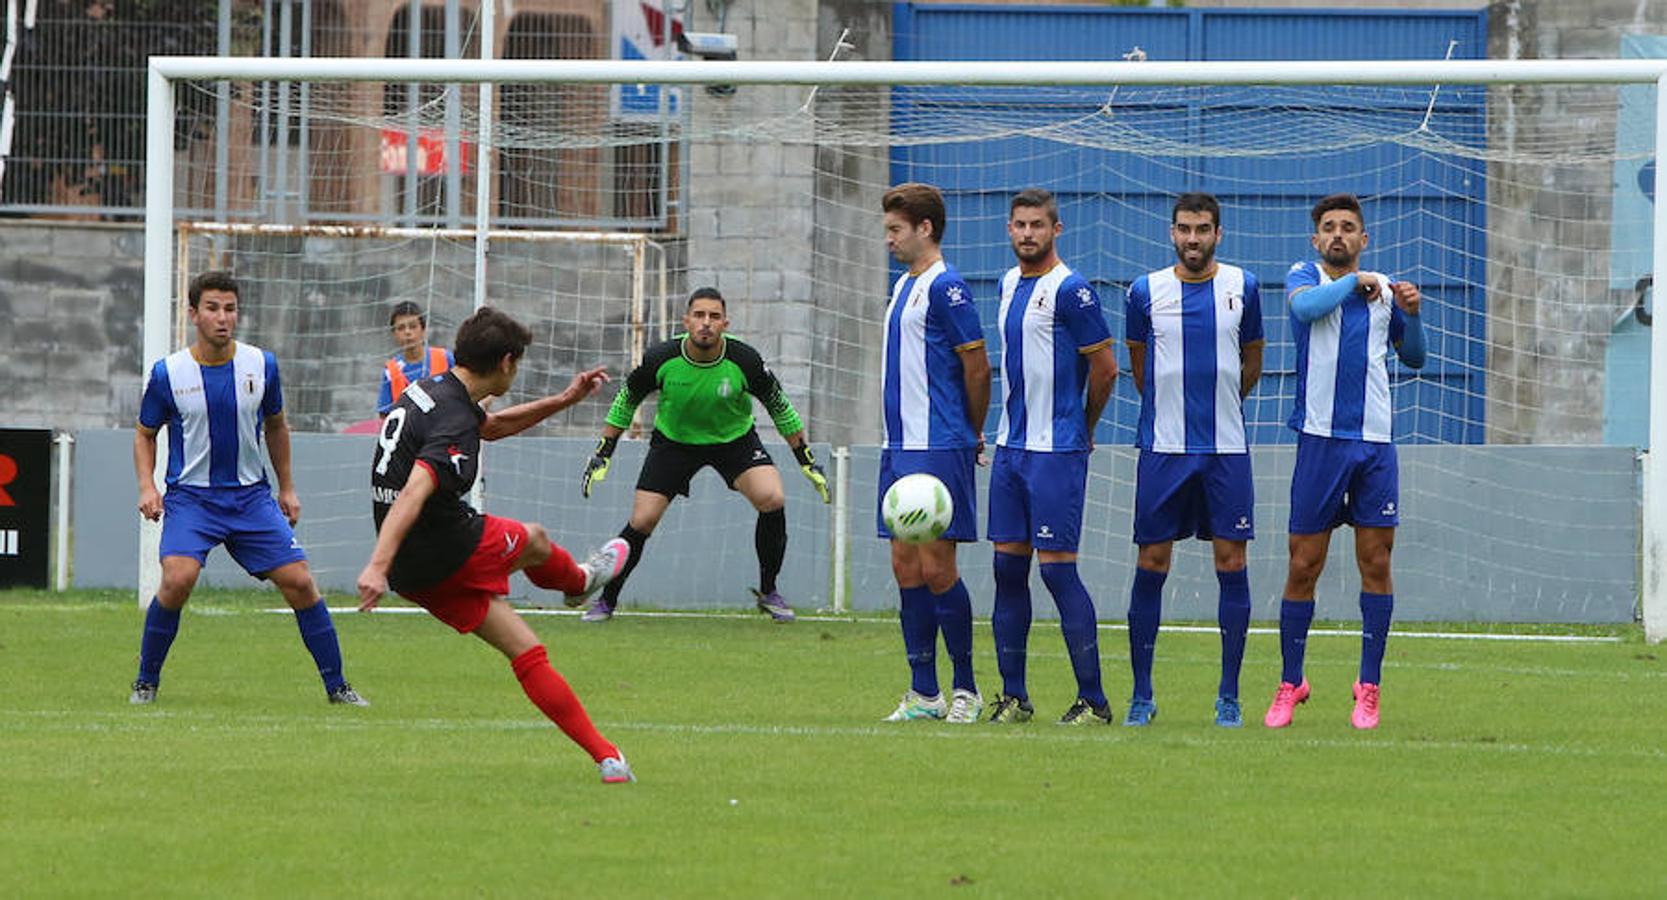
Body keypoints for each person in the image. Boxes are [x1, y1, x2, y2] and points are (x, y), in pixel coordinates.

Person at [356, 305, 637, 783]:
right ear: (507, 362)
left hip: (415, 571)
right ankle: (580, 582)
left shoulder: (436, 390)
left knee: (526, 650)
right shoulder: (451, 419)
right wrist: (375, 566)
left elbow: (492, 428)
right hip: (445, 546)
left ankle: (607, 757)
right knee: (535, 538)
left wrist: (565, 399)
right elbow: (415, 490)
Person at [130, 270, 366, 707]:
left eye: (230, 308)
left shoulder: (262, 365)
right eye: (212, 308)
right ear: (193, 314)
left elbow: (276, 426)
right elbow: (144, 433)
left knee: (300, 582)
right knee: (178, 579)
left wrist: (288, 488)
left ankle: (338, 687)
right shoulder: (169, 373)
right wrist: (147, 486)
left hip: (250, 499)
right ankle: (146, 682)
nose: (223, 317)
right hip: (192, 500)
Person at [1265, 192, 1425, 731]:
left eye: (1348, 228)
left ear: (1364, 239)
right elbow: (1305, 310)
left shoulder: (1383, 293)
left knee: (1376, 562)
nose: (1338, 234)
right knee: (1303, 564)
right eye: (1329, 227)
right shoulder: (1304, 276)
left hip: (1375, 446)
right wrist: (1352, 283)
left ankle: (1368, 686)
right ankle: (1292, 681)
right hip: (1320, 442)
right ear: (1317, 240)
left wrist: (1412, 314)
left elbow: (1416, 356)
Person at [577, 287, 829, 623]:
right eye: (699, 316)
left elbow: (779, 406)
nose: (706, 323)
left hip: (734, 442)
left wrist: (805, 459)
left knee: (773, 498)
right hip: (675, 443)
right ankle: (607, 601)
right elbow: (626, 399)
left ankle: (769, 593)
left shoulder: (745, 360)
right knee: (642, 522)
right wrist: (603, 452)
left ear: (725, 322)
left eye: (713, 316)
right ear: (686, 321)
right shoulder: (661, 358)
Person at [1123, 192, 1265, 728]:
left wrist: (1221, 405)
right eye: (1184, 229)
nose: (1193, 239)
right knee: (1152, 563)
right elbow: (1141, 370)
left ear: (1218, 235)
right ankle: (1142, 695)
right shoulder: (1145, 292)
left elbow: (1252, 361)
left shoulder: (1243, 287)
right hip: (1163, 451)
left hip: (1226, 450)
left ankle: (1228, 696)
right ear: (1171, 233)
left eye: (1203, 229)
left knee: (1231, 563)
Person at [985, 188, 1119, 726]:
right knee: (1005, 570)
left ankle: (1095, 700)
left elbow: (1107, 368)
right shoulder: (1006, 283)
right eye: (1019, 224)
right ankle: (1014, 697)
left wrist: (1083, 428)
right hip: (1010, 448)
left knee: (1058, 574)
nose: (1027, 234)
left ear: (1056, 230)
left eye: (1037, 225)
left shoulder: (1073, 291)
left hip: (1056, 451)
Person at [877, 182, 991, 724]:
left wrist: (971, 431)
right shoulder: (904, 286)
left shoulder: (948, 289)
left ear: (925, 228)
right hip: (899, 444)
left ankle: (965, 689)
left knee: (938, 565)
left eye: (896, 230)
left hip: (939, 443)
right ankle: (924, 693)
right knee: (905, 564)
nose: (889, 240)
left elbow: (977, 365)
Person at [378, 300, 453, 417]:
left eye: (413, 326)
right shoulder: (391, 370)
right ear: (394, 334)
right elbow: (385, 413)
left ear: (423, 330)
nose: (407, 332)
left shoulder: (445, 358)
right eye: (401, 328)